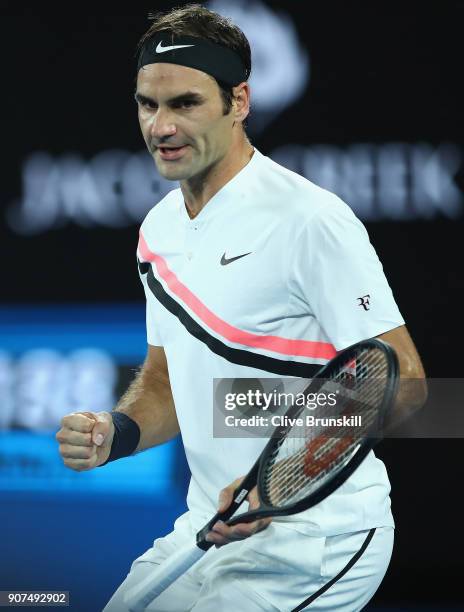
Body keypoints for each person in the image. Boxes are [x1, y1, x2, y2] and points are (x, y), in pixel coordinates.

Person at [56, 5, 426, 611]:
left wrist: (277, 483)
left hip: (315, 542)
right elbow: (167, 383)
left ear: (240, 102)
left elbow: (404, 380)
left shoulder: (310, 220)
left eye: (185, 104)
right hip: (207, 526)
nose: (161, 126)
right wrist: (116, 433)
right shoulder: (159, 230)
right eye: (148, 104)